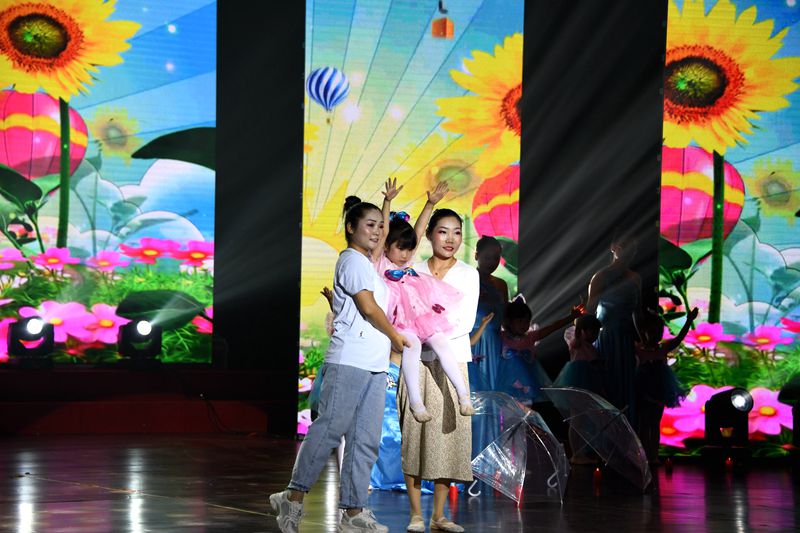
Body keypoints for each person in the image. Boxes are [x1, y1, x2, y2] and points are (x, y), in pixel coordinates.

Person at [269, 197, 409, 533]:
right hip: (349, 360)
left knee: (365, 440)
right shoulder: (351, 260)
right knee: (329, 429)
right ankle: (293, 497)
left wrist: (387, 203)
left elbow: (381, 244)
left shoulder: (370, 265)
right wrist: (395, 336)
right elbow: (369, 308)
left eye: (380, 226)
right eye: (370, 225)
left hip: (374, 364)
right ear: (350, 227)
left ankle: (353, 511)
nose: (377, 232)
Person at [398, 208, 479, 533]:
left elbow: (466, 321)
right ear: (430, 234)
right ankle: (416, 514)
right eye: (443, 231)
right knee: (414, 436)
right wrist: (417, 335)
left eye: (457, 232)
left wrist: (432, 331)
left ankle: (440, 516)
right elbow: (401, 311)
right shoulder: (413, 270)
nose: (450, 239)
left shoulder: (468, 274)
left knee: (447, 438)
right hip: (416, 362)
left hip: (451, 360)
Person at [375, 179, 474, 422]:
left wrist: (429, 204)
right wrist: (387, 201)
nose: (406, 254)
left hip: (420, 317)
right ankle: (416, 403)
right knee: (413, 346)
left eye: (409, 249)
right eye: (400, 248)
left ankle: (464, 396)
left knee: (440, 340)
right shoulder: (381, 264)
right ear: (386, 247)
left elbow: (417, 232)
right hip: (399, 322)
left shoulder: (407, 262)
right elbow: (384, 233)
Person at [586, 234, 642, 428]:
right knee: (607, 386)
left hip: (626, 340)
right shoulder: (601, 276)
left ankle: (624, 434)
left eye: (632, 248)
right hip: (606, 337)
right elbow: (590, 311)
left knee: (625, 387)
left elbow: (638, 314)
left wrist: (643, 341)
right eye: (624, 246)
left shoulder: (636, 278)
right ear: (613, 247)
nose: (628, 252)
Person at [635, 307, 697, 465]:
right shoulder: (638, 348)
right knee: (643, 424)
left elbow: (679, 338)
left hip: (659, 390)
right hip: (642, 390)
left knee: (654, 423)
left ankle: (654, 456)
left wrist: (689, 321)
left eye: (659, 331)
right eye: (652, 331)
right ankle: (644, 456)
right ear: (644, 331)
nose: (656, 335)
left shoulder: (663, 348)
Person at [497, 297, 581, 405]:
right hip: (507, 381)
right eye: (520, 321)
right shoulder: (501, 337)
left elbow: (553, 327)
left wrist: (571, 317)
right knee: (506, 406)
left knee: (527, 405)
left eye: (527, 321)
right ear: (509, 322)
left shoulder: (531, 337)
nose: (524, 325)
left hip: (528, 381)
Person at [553, 314, 604, 464]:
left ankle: (582, 452)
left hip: (589, 382)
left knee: (584, 420)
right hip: (577, 382)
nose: (595, 336)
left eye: (597, 332)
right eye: (592, 332)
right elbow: (572, 334)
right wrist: (577, 319)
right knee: (576, 420)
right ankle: (576, 454)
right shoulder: (577, 343)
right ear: (582, 331)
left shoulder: (591, 347)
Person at [469, 236, 507, 392]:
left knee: (495, 386)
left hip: (495, 341)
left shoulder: (501, 284)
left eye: (496, 258)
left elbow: (505, 315)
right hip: (474, 339)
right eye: (487, 257)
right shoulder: (468, 279)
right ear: (476, 256)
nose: (491, 262)